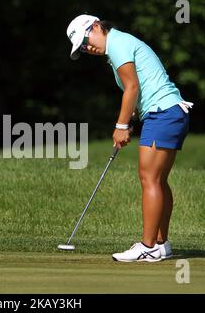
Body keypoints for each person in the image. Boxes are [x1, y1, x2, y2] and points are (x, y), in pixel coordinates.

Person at [66, 14, 193, 262]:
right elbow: (137, 89)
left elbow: (132, 87)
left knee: (149, 179)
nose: (87, 47)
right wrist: (132, 116)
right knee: (158, 180)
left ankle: (148, 246)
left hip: (163, 114)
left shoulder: (117, 44)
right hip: (168, 113)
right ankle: (160, 244)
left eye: (86, 39)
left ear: (95, 26)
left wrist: (121, 125)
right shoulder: (119, 46)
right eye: (82, 47)